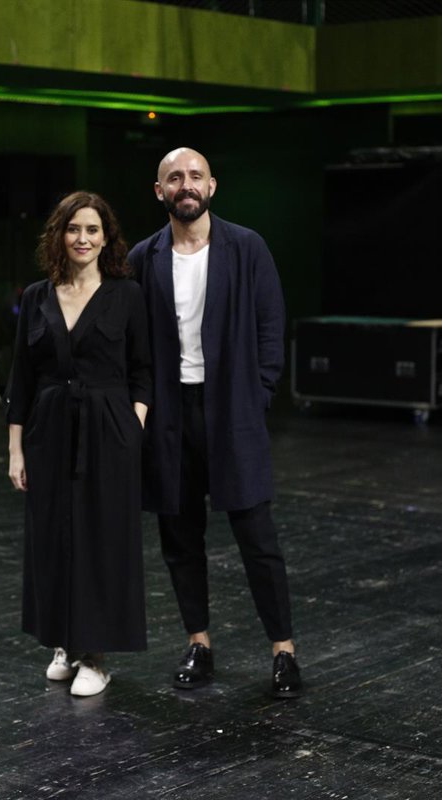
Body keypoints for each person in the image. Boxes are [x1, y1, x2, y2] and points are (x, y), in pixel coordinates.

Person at [128, 147, 303, 699]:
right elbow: (134, 341)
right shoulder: (143, 257)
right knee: (180, 540)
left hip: (231, 410)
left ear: (212, 186)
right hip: (169, 417)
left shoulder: (246, 247)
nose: (186, 184)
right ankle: (198, 643)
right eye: (175, 177)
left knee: (258, 539)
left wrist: (259, 394)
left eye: (195, 176)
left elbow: (271, 325)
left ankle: (283, 651)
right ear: (160, 191)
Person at [6, 191, 152, 697]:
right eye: (73, 229)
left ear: (106, 238)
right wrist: (16, 450)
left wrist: (131, 428)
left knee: (99, 541)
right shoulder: (37, 296)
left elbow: (143, 371)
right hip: (48, 431)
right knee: (52, 539)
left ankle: (95, 655)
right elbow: (21, 378)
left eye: (92, 230)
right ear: (59, 235)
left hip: (107, 431)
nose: (82, 238)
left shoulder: (126, 295)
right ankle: (63, 643)